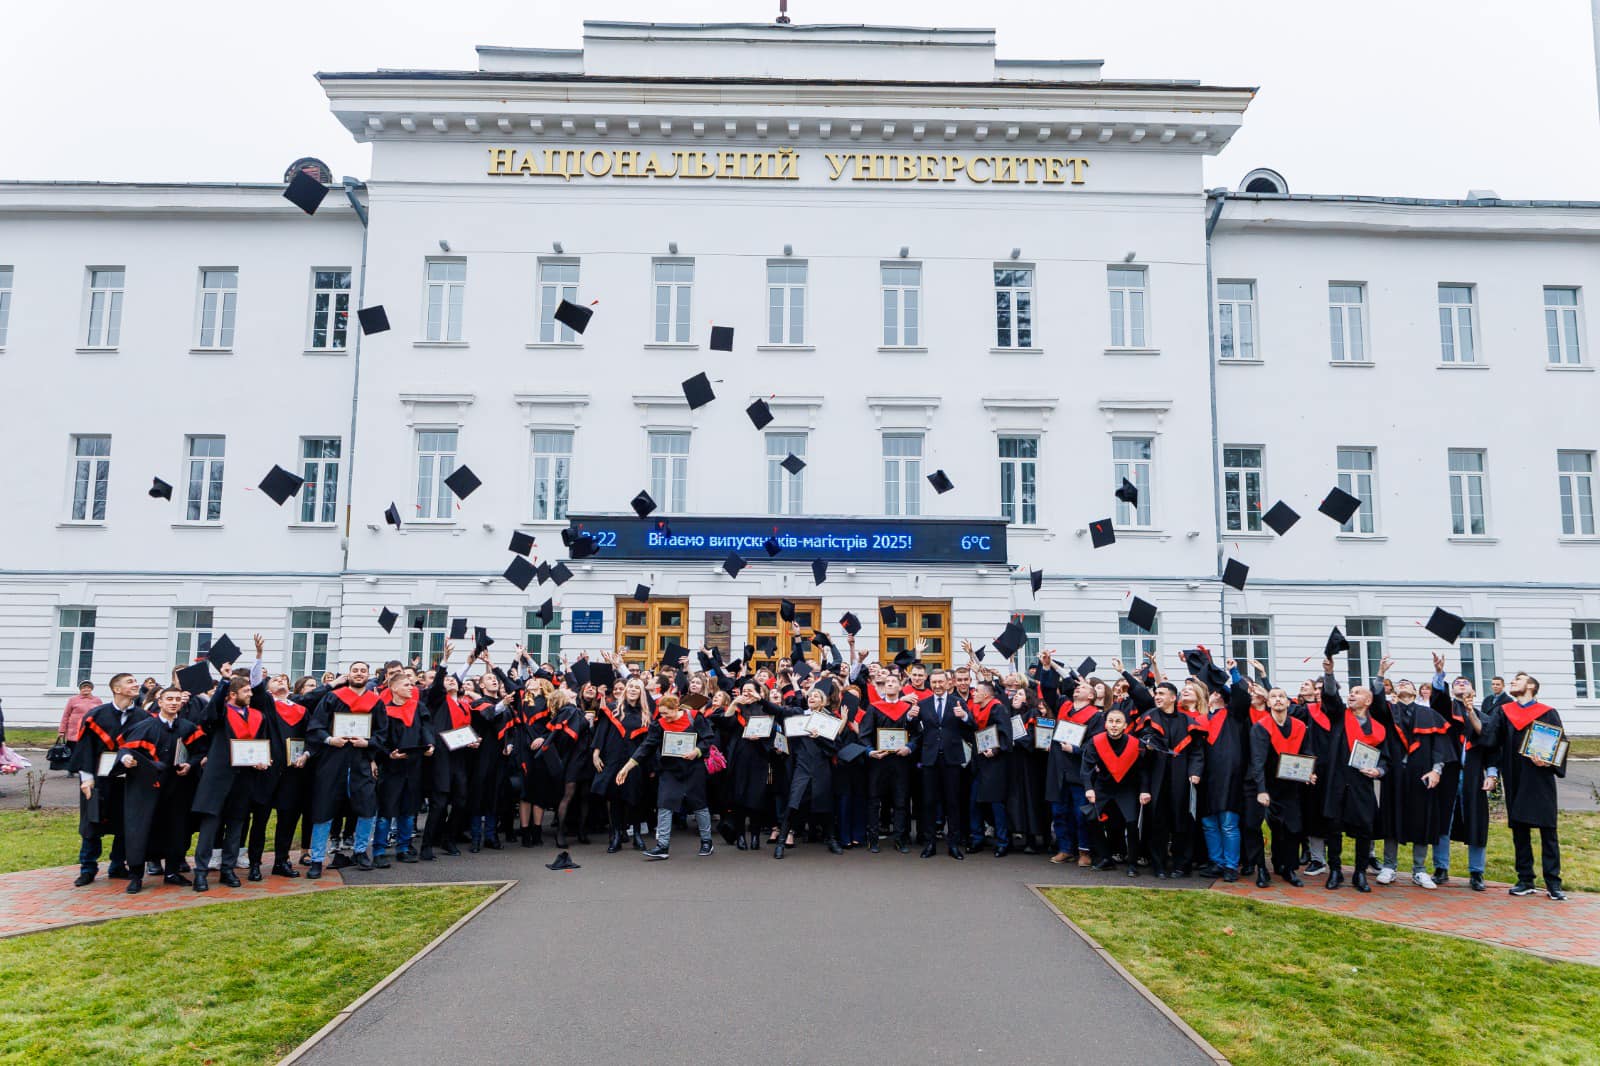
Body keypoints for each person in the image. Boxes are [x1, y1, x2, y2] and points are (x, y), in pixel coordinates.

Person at [1484, 672, 1567, 901]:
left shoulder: (1547, 712)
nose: (1512, 682)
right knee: (1520, 830)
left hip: (1540, 778)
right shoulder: (1505, 712)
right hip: (1515, 776)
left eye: (1518, 679)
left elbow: (1560, 744)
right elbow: (1491, 742)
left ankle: (1553, 883)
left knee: (1548, 830)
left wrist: (1549, 760)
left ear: (1531, 686)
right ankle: (1525, 879)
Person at [116, 687, 206, 893]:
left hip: (177, 787)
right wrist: (126, 759)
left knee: (177, 829)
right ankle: (136, 876)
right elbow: (125, 749)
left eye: (177, 699)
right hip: (147, 789)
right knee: (141, 829)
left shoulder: (188, 727)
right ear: (160, 701)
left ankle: (172, 872)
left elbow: (200, 751)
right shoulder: (145, 727)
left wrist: (190, 764)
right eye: (169, 699)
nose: (174, 703)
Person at [190, 674, 275, 892]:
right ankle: (200, 871)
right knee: (210, 826)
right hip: (218, 777)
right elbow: (209, 714)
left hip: (244, 778)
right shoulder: (220, 714)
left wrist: (262, 760)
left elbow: (261, 744)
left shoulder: (258, 716)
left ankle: (228, 868)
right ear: (233, 695)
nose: (251, 694)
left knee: (236, 825)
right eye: (246, 691)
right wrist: (225, 680)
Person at [614, 694, 714, 859]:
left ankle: (706, 841)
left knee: (699, 804)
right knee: (664, 804)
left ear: (677, 708)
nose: (664, 717)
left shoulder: (695, 717)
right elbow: (646, 747)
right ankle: (662, 846)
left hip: (693, 768)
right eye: (661, 713)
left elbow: (708, 739)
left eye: (667, 713)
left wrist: (696, 751)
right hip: (670, 770)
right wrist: (627, 767)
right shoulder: (659, 724)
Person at [1126, 659, 1201, 878]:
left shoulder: (1187, 721)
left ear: (1172, 697)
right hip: (1156, 778)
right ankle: (1158, 865)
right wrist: (1144, 786)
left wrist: (1195, 771)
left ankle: (1180, 865)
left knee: (1181, 825)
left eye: (1161, 693)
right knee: (1157, 826)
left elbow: (1197, 751)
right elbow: (1141, 759)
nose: (1157, 696)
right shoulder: (1149, 718)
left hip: (1181, 778)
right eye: (1156, 693)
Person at [305, 662, 380, 877]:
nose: (358, 674)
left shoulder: (375, 702)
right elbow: (315, 726)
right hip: (333, 760)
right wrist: (329, 739)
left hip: (360, 761)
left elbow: (383, 732)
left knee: (367, 808)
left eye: (363, 671)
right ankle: (317, 859)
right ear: (349, 674)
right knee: (324, 809)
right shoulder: (333, 697)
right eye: (355, 670)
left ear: (368, 675)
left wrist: (368, 744)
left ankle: (360, 852)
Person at [1318, 659, 1387, 892]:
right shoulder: (1339, 716)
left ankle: (1360, 873)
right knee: (1333, 828)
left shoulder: (1378, 729)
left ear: (1368, 701)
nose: (1351, 695)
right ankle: (1335, 870)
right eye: (1350, 692)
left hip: (1362, 785)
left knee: (1364, 829)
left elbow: (1385, 759)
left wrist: (1378, 770)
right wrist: (1329, 673)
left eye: (1357, 693)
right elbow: (1330, 697)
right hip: (1337, 783)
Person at [68, 672, 142, 886]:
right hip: (99, 779)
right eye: (130, 682)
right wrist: (86, 779)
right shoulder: (96, 715)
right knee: (93, 822)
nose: (135, 684)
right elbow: (85, 749)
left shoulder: (142, 717)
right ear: (117, 689)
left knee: (125, 823)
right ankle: (88, 868)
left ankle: (118, 865)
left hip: (128, 779)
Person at [1245, 687, 1314, 888]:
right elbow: (1257, 761)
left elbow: (1306, 753)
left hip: (1288, 784)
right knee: (1253, 825)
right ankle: (1261, 869)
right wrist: (1261, 790)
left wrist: (1309, 771)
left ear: (1288, 702)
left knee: (1291, 828)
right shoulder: (1260, 727)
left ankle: (1287, 868)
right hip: (1260, 783)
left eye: (1281, 696)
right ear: (1268, 703)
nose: (1277, 700)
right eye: (1273, 697)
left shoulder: (1300, 726)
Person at [1440, 674, 1497, 891]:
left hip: (1474, 776)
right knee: (1443, 821)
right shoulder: (1446, 713)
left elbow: (1491, 748)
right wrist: (1440, 674)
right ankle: (1441, 868)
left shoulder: (1485, 717)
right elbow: (1438, 698)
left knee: (1476, 821)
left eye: (1465, 683)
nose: (1460, 684)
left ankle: (1476, 872)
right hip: (1448, 774)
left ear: (1473, 691)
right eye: (1456, 683)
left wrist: (1491, 775)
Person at [374, 665, 434, 865]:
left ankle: (404, 847)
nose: (412, 687)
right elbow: (379, 737)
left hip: (414, 765)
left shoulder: (418, 707)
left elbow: (426, 727)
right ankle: (379, 850)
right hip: (391, 767)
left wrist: (430, 744)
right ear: (394, 688)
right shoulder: (383, 710)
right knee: (386, 810)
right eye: (407, 684)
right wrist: (387, 754)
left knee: (408, 810)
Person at [915, 669, 973, 860]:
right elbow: (913, 730)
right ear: (930, 684)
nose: (938, 686)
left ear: (949, 683)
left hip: (952, 759)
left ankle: (953, 844)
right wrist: (909, 717)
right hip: (930, 759)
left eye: (941, 682)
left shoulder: (958, 702)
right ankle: (930, 843)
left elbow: (971, 725)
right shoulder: (923, 704)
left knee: (953, 803)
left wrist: (963, 716)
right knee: (929, 802)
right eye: (934, 682)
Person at [1081, 705, 1145, 876]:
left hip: (1126, 788)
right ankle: (1105, 857)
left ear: (1125, 725)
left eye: (1118, 722)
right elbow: (1086, 767)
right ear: (1105, 724)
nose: (1114, 725)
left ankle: (1132, 863)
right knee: (1091, 818)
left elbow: (1143, 770)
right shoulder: (1095, 741)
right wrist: (1089, 788)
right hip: (1103, 786)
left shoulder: (1135, 744)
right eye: (1110, 721)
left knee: (1131, 824)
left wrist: (1144, 790)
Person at [1046, 675, 1101, 866]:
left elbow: (1096, 743)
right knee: (1059, 812)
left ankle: (1084, 851)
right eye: (1077, 687)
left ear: (1092, 696)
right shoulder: (1064, 707)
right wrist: (1047, 668)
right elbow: (1047, 691)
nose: (1078, 689)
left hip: (1079, 769)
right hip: (1058, 767)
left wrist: (1076, 749)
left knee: (1081, 813)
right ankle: (1065, 849)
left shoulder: (1096, 715)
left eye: (1084, 688)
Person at [862, 670, 919, 854]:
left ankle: (900, 839)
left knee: (901, 800)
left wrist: (909, 746)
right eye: (887, 682)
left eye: (894, 681)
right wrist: (870, 751)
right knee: (873, 800)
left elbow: (918, 734)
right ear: (883, 687)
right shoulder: (874, 708)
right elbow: (864, 735)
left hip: (900, 761)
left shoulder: (908, 709)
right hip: (879, 760)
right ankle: (872, 839)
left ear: (900, 687)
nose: (891, 684)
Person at [965, 679, 1012, 856]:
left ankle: (1003, 841)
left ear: (985, 694)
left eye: (976, 691)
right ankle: (977, 838)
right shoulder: (976, 709)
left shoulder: (998, 708)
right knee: (974, 801)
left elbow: (1005, 732)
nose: (973, 693)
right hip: (979, 761)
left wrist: (996, 748)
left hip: (995, 762)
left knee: (996, 803)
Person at [57, 679, 99, 745]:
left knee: (86, 752)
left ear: (91, 689)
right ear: (80, 689)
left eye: (88, 687)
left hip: (90, 730)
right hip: (74, 731)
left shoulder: (97, 700)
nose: (86, 689)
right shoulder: (73, 700)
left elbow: (100, 716)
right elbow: (66, 715)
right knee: (72, 752)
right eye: (84, 687)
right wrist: (62, 731)